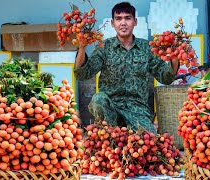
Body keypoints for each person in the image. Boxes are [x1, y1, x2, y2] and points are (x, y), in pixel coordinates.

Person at [74, 2, 179, 134]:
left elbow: (166, 77)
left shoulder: (147, 48)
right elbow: (82, 74)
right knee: (98, 99)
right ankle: (109, 136)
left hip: (137, 109)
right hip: (110, 108)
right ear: (112, 23)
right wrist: (82, 47)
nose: (123, 23)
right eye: (118, 19)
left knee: (150, 141)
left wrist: (175, 57)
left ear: (135, 22)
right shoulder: (104, 47)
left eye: (127, 18)